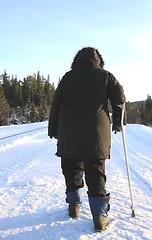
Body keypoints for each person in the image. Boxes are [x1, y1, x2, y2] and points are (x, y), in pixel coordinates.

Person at [48, 47, 126, 232]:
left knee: (71, 167)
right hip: (96, 132)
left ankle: (74, 206)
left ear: (77, 61)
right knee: (96, 171)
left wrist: (53, 128)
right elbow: (119, 98)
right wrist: (118, 121)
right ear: (98, 61)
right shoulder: (106, 76)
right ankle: (99, 216)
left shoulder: (68, 77)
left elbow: (56, 103)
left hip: (69, 131)